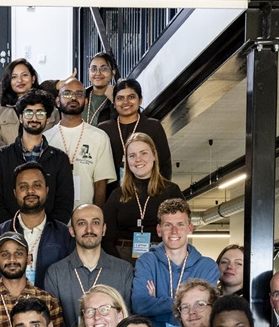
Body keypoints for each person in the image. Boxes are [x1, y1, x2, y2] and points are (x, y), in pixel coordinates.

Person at [132, 198, 220, 327]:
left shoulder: (207, 266)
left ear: (190, 228)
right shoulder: (146, 261)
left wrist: (156, 302)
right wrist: (186, 305)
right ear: (159, 230)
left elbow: (203, 311)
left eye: (180, 224)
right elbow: (140, 304)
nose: (174, 231)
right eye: (168, 225)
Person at [0, 89, 74, 228]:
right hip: (9, 236)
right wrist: (15, 229)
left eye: (40, 113)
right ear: (20, 117)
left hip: (49, 236)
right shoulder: (0, 158)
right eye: (28, 112)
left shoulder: (60, 159)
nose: (34, 118)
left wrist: (44, 231)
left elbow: (64, 204)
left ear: (48, 118)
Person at [44, 204, 134, 327]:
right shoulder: (55, 273)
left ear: (104, 229)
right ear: (72, 231)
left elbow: (127, 320)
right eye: (81, 223)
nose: (89, 229)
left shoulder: (124, 270)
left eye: (96, 223)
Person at [0, 162, 73, 290]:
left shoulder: (64, 234)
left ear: (46, 190)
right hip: (9, 308)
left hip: (51, 306)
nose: (30, 191)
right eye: (23, 186)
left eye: (37, 185)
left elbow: (69, 282)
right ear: (15, 193)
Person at [102, 133, 184, 262]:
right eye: (132, 156)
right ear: (127, 161)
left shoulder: (171, 191)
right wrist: (120, 268)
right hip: (122, 258)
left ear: (154, 155)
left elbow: (180, 232)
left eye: (143, 153)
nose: (138, 159)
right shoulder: (117, 195)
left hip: (161, 258)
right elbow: (106, 239)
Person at [45, 78, 117, 206]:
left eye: (79, 94)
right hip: (53, 217)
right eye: (67, 94)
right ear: (57, 101)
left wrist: (95, 218)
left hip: (85, 217)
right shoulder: (45, 138)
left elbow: (100, 184)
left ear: (86, 101)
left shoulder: (99, 137)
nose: (73, 98)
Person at [98, 78, 172, 190]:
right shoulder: (104, 129)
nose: (125, 102)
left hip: (149, 192)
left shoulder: (153, 126)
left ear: (140, 100)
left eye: (131, 97)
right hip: (113, 196)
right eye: (120, 98)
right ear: (113, 102)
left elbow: (164, 164)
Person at [0, 58, 41, 147]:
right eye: (14, 77)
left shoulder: (48, 108)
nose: (20, 80)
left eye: (24, 75)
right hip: (8, 159)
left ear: (33, 79)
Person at [83, 51, 119, 126]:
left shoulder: (121, 97)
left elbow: (123, 125)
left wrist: (114, 101)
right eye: (93, 69)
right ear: (88, 73)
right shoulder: (80, 96)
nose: (98, 73)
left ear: (113, 72)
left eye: (104, 69)